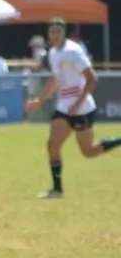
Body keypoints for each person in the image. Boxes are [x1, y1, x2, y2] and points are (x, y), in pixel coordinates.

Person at [25, 18, 121, 199]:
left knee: (89, 152)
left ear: (64, 33)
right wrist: (39, 100)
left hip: (82, 108)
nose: (54, 35)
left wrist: (78, 103)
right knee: (52, 145)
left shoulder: (73, 52)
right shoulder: (53, 53)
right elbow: (56, 80)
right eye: (52, 32)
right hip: (64, 106)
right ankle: (57, 190)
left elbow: (92, 78)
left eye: (58, 32)